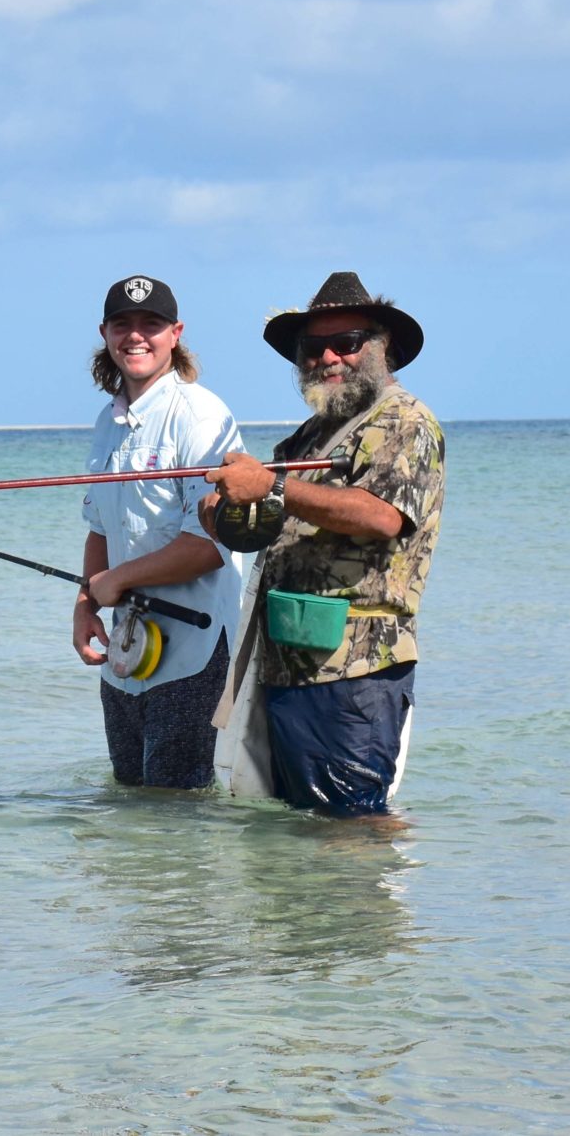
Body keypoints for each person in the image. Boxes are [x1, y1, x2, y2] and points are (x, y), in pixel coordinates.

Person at [207, 271, 443, 817]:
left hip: (356, 674)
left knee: (352, 833)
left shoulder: (405, 421)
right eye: (313, 348)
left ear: (383, 348)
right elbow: (269, 519)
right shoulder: (307, 436)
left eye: (347, 343)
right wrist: (224, 511)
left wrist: (272, 485)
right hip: (286, 668)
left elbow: (382, 517)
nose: (328, 357)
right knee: (297, 845)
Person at [72, 274, 249, 790]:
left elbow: (212, 545)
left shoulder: (200, 416)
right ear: (104, 332)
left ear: (176, 332)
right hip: (125, 658)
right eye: (123, 324)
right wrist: (86, 606)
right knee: (130, 809)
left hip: (194, 655)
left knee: (177, 815)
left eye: (151, 324)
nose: (136, 336)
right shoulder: (106, 422)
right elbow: (98, 531)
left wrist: (116, 580)